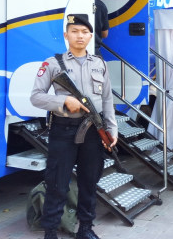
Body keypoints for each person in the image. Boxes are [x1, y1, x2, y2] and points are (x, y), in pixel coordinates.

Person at [30, 14, 118, 239]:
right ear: (66, 35)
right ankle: (50, 231)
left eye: (84, 32)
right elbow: (36, 97)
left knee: (89, 181)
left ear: (91, 36)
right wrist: (63, 101)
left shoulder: (99, 64)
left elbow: (107, 100)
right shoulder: (52, 63)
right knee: (57, 182)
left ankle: (86, 228)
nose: (80, 36)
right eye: (75, 31)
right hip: (64, 130)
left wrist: (112, 130)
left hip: (93, 132)